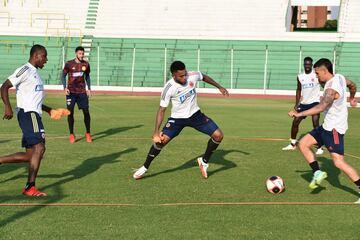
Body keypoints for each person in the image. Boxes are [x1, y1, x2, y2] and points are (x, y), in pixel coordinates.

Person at [133, 60, 229, 179]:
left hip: (195, 115)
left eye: (185, 74)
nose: (184, 78)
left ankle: (204, 161)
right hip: (177, 120)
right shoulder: (169, 88)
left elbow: (204, 77)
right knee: (160, 142)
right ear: (174, 75)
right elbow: (161, 110)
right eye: (181, 76)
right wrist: (156, 131)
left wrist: (219, 87)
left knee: (218, 136)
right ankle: (145, 167)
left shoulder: (192, 76)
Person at [0, 44, 69, 197]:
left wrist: (49, 110)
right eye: (44, 56)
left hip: (34, 115)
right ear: (36, 55)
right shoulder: (25, 70)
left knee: (31, 155)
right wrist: (8, 107)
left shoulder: (36, 74)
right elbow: (4, 87)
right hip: (29, 115)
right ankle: (30, 187)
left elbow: (34, 100)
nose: (46, 60)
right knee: (40, 148)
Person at [288, 58, 360, 203]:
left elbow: (321, 107)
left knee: (338, 162)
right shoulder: (340, 77)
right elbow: (352, 85)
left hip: (334, 129)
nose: (316, 75)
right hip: (326, 125)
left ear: (324, 70)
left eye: (317, 72)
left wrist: (299, 114)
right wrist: (352, 99)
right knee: (303, 144)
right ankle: (317, 172)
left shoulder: (330, 89)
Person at [283, 57, 323, 155]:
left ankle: (320, 146)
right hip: (304, 103)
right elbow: (298, 89)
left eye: (309, 64)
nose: (307, 66)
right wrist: (297, 104)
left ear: (312, 65)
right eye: (306, 64)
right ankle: (292, 144)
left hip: (315, 102)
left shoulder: (316, 75)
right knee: (295, 122)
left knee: (315, 123)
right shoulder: (300, 76)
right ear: (304, 65)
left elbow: (324, 84)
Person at [61, 46, 92, 143]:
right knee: (70, 113)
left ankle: (88, 133)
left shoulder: (86, 64)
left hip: (82, 92)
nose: (81, 55)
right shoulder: (69, 64)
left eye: (82, 53)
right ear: (76, 54)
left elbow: (87, 77)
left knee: (86, 112)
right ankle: (71, 134)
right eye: (79, 53)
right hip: (71, 92)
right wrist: (65, 87)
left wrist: (89, 89)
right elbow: (63, 75)